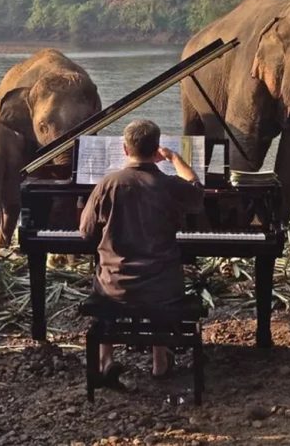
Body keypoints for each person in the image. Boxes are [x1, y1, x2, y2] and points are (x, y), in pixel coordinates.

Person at [79, 119, 204, 385]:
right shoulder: (170, 185)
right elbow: (196, 189)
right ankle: (160, 361)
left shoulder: (108, 184)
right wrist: (175, 158)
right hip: (161, 288)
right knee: (161, 276)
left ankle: (106, 359)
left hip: (115, 287)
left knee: (105, 276)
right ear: (157, 150)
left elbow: (86, 232)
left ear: (125, 150)